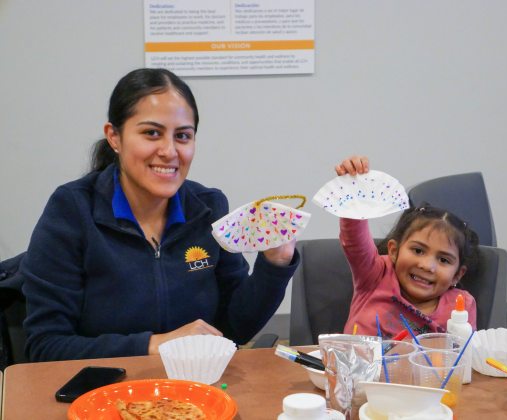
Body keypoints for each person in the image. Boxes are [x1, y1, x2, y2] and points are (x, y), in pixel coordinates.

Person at [21, 68, 299, 362]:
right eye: (151, 133)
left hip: (194, 392)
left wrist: (275, 263)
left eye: (182, 136)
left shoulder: (208, 207)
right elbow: (46, 346)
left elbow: (234, 328)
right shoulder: (72, 210)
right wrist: (156, 345)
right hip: (103, 394)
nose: (169, 151)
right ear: (114, 137)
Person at [335, 156, 479, 337]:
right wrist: (353, 199)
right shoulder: (375, 275)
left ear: (457, 274)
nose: (427, 265)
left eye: (443, 260)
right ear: (394, 251)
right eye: (418, 251)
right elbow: (355, 244)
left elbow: (462, 357)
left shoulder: (461, 306)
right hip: (359, 364)